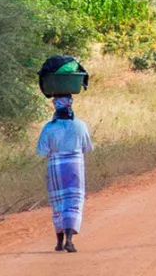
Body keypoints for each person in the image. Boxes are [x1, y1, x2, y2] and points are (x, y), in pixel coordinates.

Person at [37, 96, 93, 253]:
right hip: (75, 166)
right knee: (74, 201)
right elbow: (87, 147)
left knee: (58, 203)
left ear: (56, 108)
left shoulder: (48, 128)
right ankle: (69, 240)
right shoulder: (80, 125)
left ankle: (59, 242)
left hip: (55, 167)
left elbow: (42, 151)